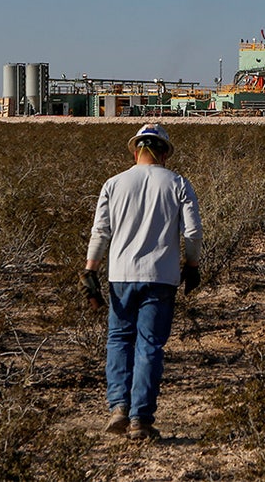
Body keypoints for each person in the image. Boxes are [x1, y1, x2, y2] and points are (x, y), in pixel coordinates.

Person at [80, 123, 203, 441]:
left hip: (120, 275)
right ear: (163, 152)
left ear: (136, 151)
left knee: (119, 340)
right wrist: (192, 266)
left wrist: (90, 271)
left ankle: (118, 407)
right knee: (150, 346)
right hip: (161, 278)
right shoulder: (178, 183)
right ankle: (141, 420)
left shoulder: (113, 184)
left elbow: (100, 232)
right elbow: (192, 233)